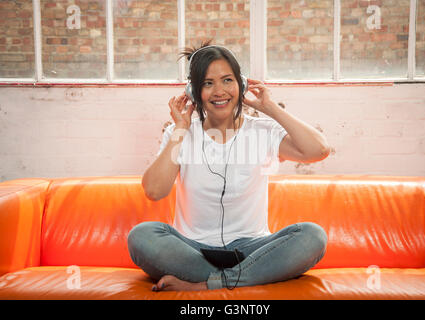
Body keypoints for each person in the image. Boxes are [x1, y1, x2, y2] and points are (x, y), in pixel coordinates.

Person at [127, 41, 330, 291]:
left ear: (241, 85)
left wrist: (270, 108)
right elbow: (154, 191)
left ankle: (207, 284)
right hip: (193, 249)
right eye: (207, 83)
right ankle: (244, 278)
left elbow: (319, 150)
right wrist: (180, 127)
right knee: (142, 236)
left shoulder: (262, 131)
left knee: (312, 236)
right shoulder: (179, 133)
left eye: (227, 80)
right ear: (193, 92)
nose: (219, 91)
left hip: (252, 248)